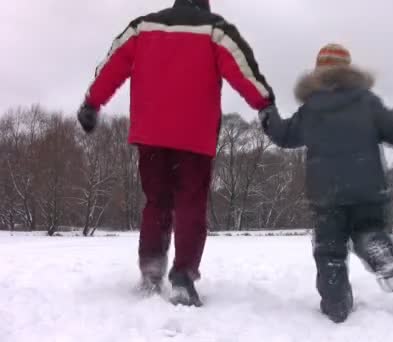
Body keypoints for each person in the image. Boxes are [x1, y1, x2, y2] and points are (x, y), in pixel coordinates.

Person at [76, 0, 275, 307]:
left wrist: (92, 102)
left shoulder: (143, 27)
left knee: (157, 201)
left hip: (151, 132)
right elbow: (241, 68)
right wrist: (265, 104)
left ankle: (152, 269)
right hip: (194, 135)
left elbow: (113, 62)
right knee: (190, 204)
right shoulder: (214, 29)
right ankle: (182, 277)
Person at [259, 43, 393, 322]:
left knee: (330, 251)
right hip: (368, 188)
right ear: (348, 70)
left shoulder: (311, 108)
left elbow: (285, 136)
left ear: (319, 72)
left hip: (326, 194)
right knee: (368, 228)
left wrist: (268, 114)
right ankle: (375, 242)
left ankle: (337, 304)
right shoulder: (367, 101)